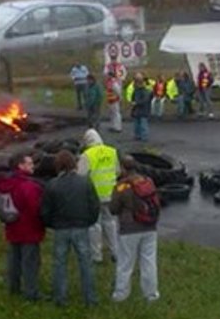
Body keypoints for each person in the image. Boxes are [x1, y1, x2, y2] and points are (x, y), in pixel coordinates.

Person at [42, 150, 100, 307]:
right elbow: (94, 205)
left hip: (61, 228)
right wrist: (89, 221)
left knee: (59, 263)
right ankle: (90, 298)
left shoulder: (52, 185)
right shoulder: (85, 182)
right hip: (81, 226)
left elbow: (45, 210)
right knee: (86, 263)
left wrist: (52, 224)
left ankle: (60, 298)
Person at [109, 155, 160, 303]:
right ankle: (151, 294)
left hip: (129, 229)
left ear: (123, 168)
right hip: (150, 227)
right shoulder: (148, 181)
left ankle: (121, 294)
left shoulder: (121, 186)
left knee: (125, 263)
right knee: (149, 261)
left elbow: (113, 209)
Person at [0, 152, 45, 302]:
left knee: (14, 260)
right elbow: (35, 208)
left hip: (12, 227)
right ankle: (31, 292)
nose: (33, 166)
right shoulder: (28, 186)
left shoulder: (6, 183)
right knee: (30, 262)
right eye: (29, 164)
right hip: (29, 229)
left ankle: (14, 288)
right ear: (20, 165)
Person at [78, 129, 120, 264]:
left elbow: (80, 175)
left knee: (95, 225)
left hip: (94, 195)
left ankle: (97, 255)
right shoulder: (112, 151)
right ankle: (116, 252)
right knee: (111, 222)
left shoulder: (87, 155)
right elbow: (118, 171)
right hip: (111, 193)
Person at [130, 72, 153, 141]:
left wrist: (136, 103)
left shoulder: (145, 91)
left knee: (143, 124)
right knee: (136, 124)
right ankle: (137, 136)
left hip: (143, 110)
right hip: (137, 110)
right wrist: (133, 102)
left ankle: (144, 137)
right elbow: (133, 97)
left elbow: (145, 100)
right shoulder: (136, 90)